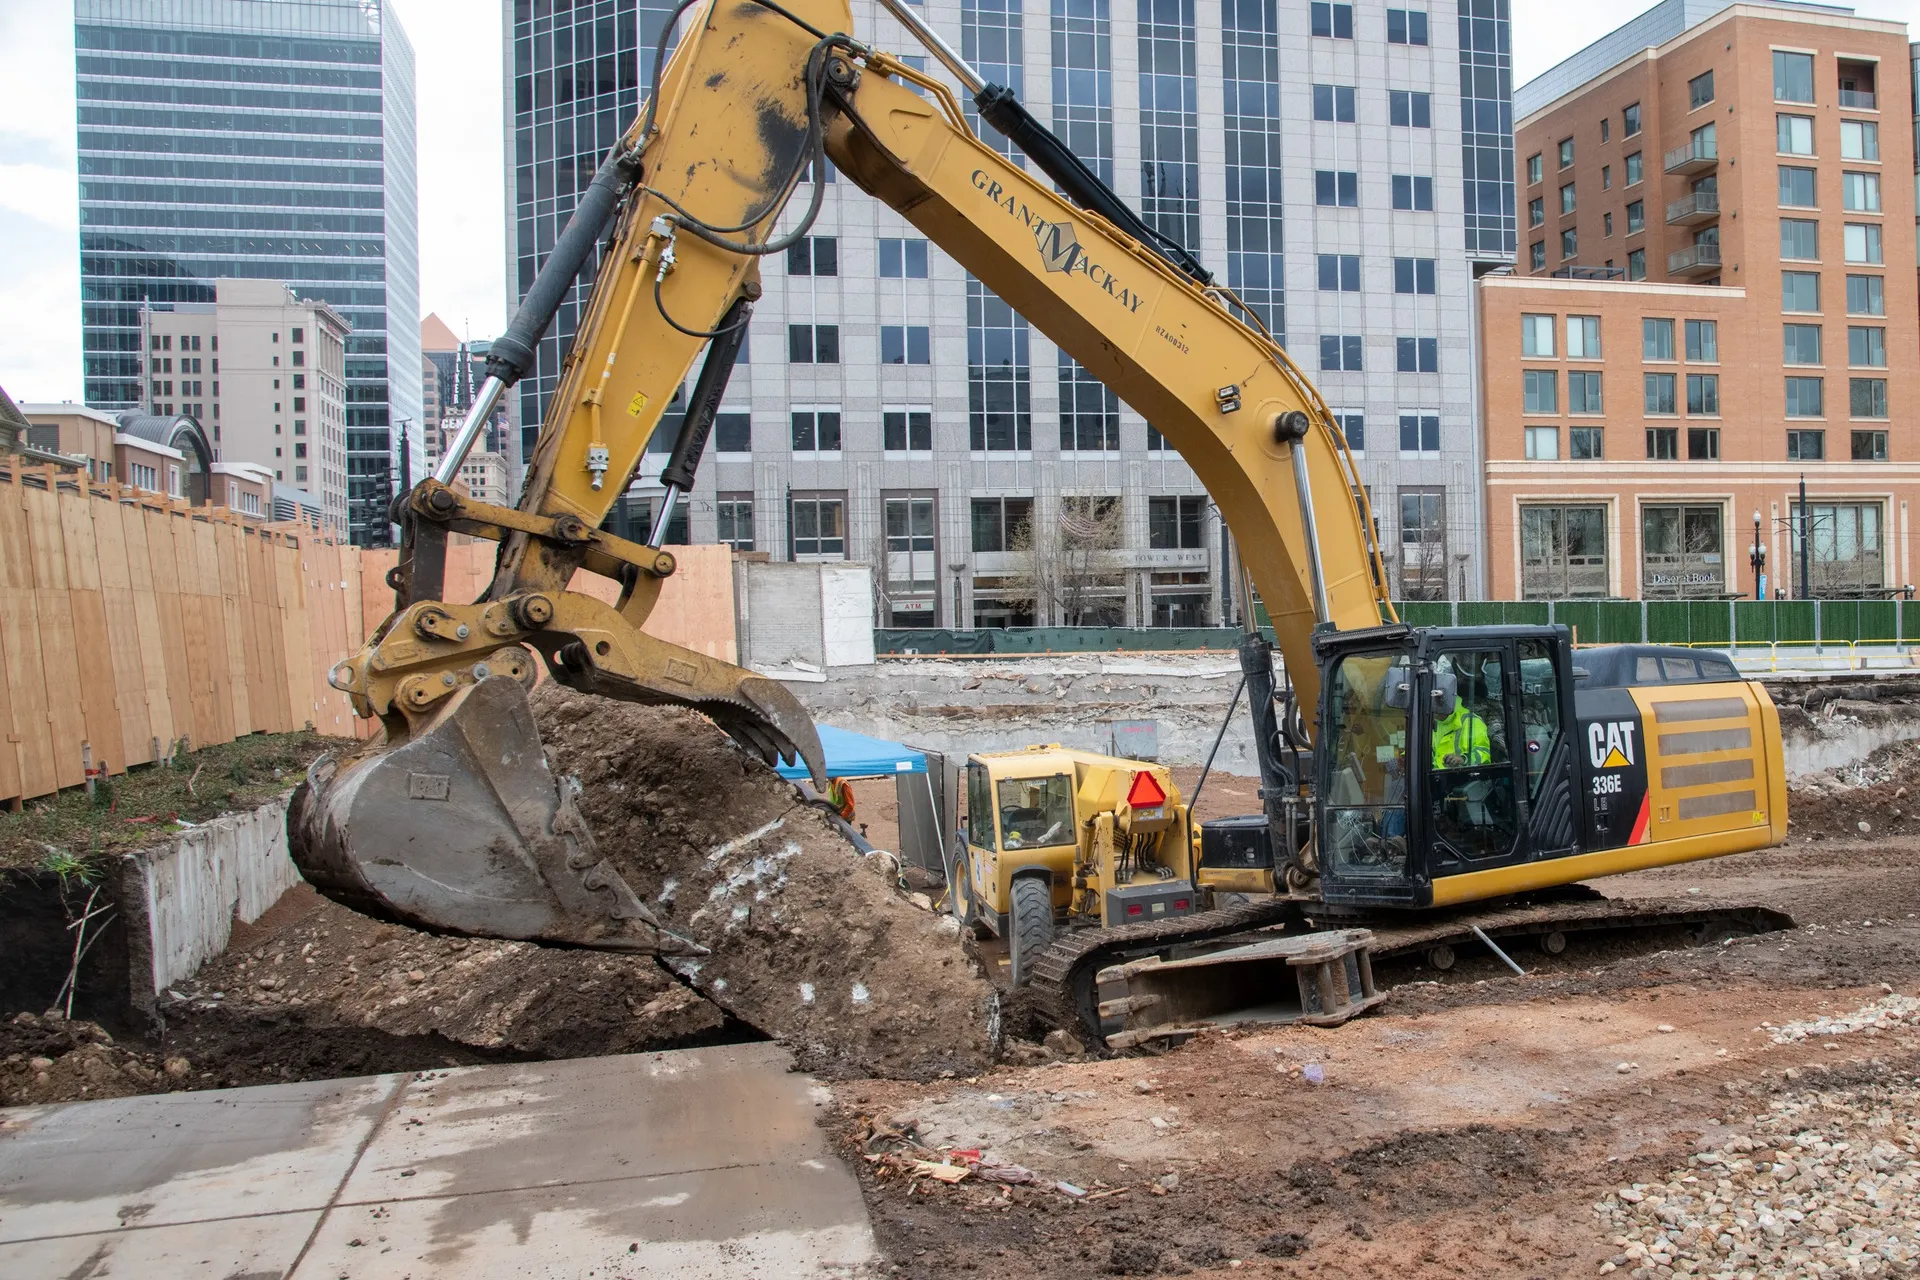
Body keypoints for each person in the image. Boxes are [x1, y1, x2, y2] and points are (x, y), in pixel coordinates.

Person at [1429, 667, 1491, 769]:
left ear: (1445, 698)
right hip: (1436, 780)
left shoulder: (1471, 722)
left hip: (1464, 780)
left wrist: (1463, 759)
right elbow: (1422, 751)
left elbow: (1483, 754)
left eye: (1435, 697)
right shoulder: (1430, 723)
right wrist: (1404, 760)